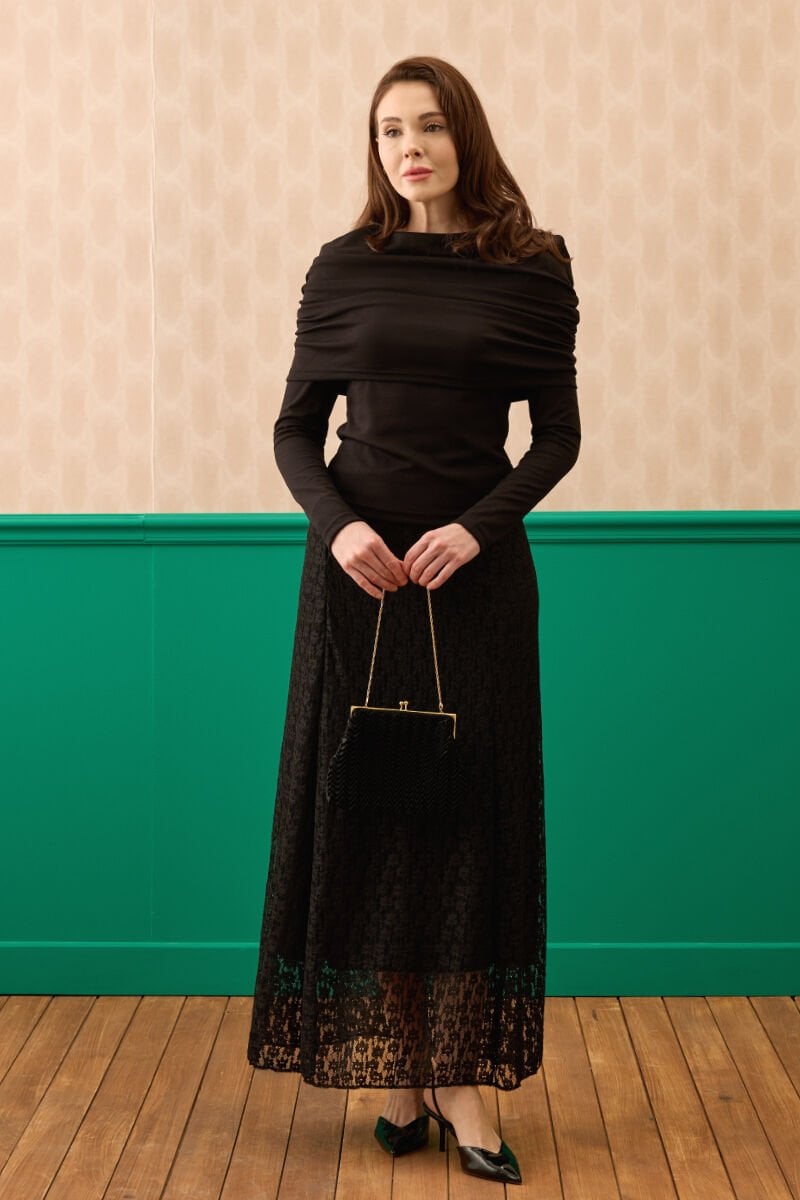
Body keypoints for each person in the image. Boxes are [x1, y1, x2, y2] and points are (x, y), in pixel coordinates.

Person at [247, 54, 581, 1187]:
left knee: (467, 825)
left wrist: (475, 531)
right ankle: (401, 1069)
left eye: (429, 126)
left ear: (463, 136)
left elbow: (556, 436)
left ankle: (459, 1078)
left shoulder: (532, 266)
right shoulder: (342, 265)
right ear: (375, 147)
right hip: (357, 580)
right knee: (371, 817)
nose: (409, 147)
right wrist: (340, 527)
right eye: (390, 129)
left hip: (473, 581)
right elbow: (295, 430)